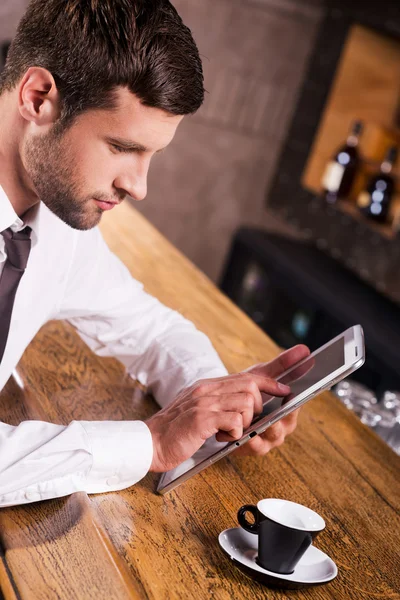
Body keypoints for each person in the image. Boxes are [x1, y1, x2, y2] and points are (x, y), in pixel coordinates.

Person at [0, 0, 309, 508]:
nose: (138, 186)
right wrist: (152, 442)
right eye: (122, 147)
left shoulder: (56, 223)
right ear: (38, 97)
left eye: (152, 155)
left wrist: (216, 402)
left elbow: (149, 330)